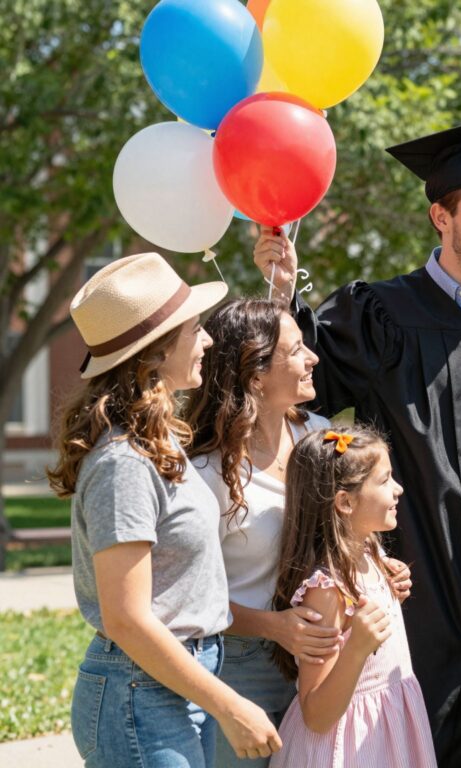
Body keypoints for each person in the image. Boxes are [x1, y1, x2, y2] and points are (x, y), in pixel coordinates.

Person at [253, 115, 461, 767]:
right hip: (415, 601)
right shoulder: (381, 316)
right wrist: (281, 292)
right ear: (440, 217)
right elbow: (291, 382)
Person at [47, 253, 281, 766]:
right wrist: (231, 706)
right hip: (140, 691)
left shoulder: (158, 444)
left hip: (169, 683)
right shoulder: (123, 463)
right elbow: (128, 619)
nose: (209, 341)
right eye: (197, 329)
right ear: (154, 352)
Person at [183, 299, 336, 767]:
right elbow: (188, 600)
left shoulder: (322, 435)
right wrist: (275, 628)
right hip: (238, 668)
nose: (313, 357)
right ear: (255, 375)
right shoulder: (206, 474)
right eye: (296, 351)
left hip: (317, 663)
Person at [268, 426, 436, 768]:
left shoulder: (371, 554)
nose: (398, 489)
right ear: (345, 501)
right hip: (346, 748)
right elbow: (315, 714)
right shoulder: (325, 591)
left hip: (389, 734)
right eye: (385, 480)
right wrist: (358, 646)